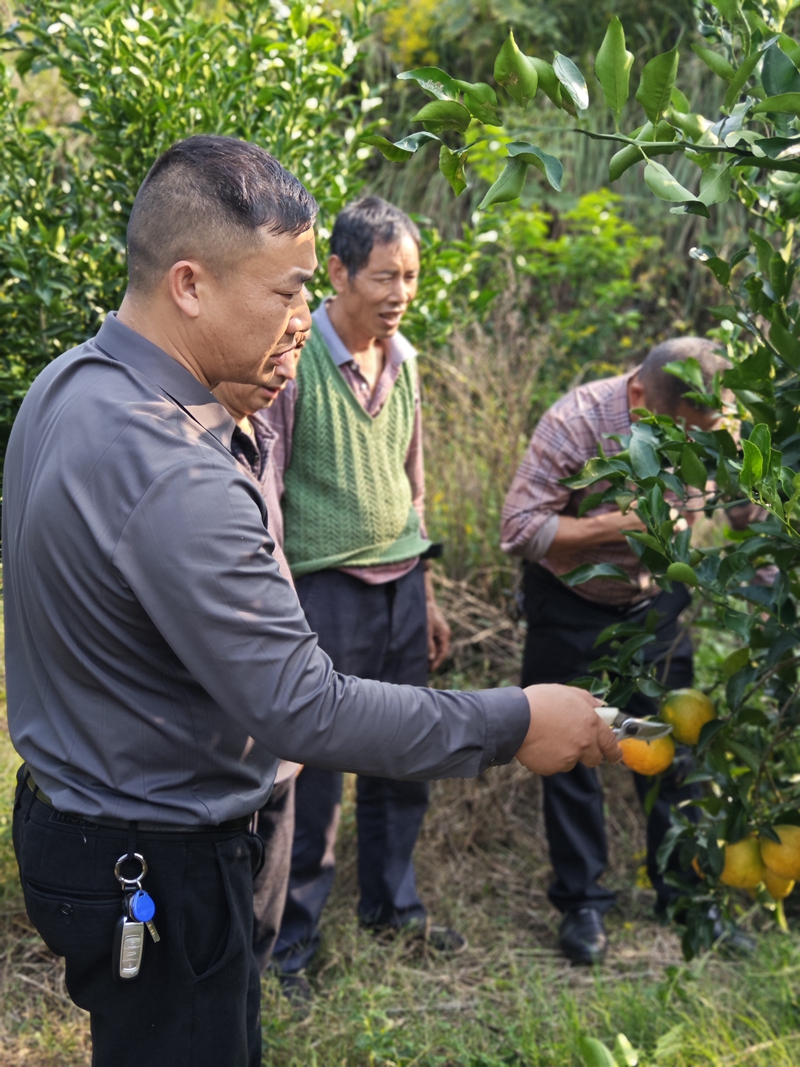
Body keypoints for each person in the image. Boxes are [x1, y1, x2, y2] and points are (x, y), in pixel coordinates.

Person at [5, 134, 620, 1067]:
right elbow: (305, 705)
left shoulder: (70, 385)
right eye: (288, 291)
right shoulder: (173, 466)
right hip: (160, 856)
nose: (303, 317)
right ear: (190, 284)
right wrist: (516, 719)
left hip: (78, 818)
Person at [266, 197, 460, 994]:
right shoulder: (295, 355)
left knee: (405, 755)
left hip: (402, 588)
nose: (401, 292)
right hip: (326, 594)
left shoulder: (404, 359)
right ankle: (291, 942)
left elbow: (412, 484)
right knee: (312, 775)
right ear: (338, 272)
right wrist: (275, 607)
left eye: (411, 276)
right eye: (386, 275)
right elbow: (267, 491)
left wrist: (431, 591)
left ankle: (392, 904)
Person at [501, 338, 722, 966]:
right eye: (679, 430)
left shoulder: (710, 429)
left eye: (701, 433)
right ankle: (583, 906)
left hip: (654, 607)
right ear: (637, 397)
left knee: (671, 745)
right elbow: (517, 529)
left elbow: (735, 503)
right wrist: (610, 527)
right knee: (572, 756)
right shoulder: (577, 422)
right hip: (570, 610)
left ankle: (681, 892)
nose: (691, 445)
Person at [213, 352, 304, 975]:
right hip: (223, 735)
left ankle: (258, 972)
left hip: (274, 721)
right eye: (272, 356)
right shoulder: (188, 455)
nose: (285, 374)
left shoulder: (257, 436)